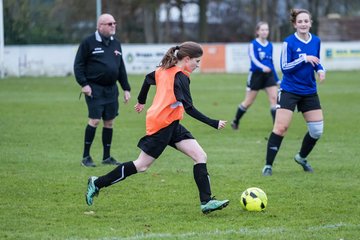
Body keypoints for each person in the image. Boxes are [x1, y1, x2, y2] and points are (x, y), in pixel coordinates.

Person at [85, 41, 230, 214]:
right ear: (187, 59)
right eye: (197, 62)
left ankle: (206, 202)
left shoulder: (164, 70)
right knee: (141, 165)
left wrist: (141, 101)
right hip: (162, 125)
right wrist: (213, 122)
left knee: (200, 155)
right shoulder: (180, 77)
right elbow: (189, 108)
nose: (198, 66)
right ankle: (97, 182)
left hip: (171, 122)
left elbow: (147, 78)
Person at [262, 9, 326, 176]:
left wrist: (321, 69)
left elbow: (317, 61)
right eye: (300, 21)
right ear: (295, 24)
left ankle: (301, 157)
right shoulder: (288, 42)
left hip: (309, 91)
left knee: (317, 130)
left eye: (306, 21)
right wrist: (303, 59)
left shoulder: (316, 41)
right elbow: (285, 67)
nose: (303, 24)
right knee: (281, 128)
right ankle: (268, 165)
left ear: (310, 23)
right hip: (289, 90)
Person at [74, 13, 131, 167]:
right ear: (100, 26)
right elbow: (78, 65)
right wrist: (84, 84)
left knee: (109, 122)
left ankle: (107, 157)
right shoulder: (88, 42)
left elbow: (120, 68)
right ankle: (86, 157)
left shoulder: (116, 44)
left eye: (114, 23)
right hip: (94, 89)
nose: (113, 26)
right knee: (95, 120)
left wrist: (126, 88)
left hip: (111, 90)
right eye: (109, 23)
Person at [231, 21, 279, 131]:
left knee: (274, 99)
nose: (264, 32)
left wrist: (277, 79)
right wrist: (262, 67)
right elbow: (253, 59)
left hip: (269, 76)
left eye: (266, 29)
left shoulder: (270, 45)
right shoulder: (253, 44)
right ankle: (236, 121)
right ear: (257, 31)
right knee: (248, 102)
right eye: (262, 30)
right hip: (256, 76)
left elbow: (271, 63)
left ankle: (276, 127)